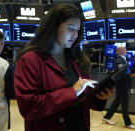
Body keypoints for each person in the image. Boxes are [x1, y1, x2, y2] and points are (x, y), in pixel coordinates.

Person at [14, 3, 113, 131]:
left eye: (77, 30)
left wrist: (99, 97)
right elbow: (29, 108)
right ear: (53, 27)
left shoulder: (77, 59)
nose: (75, 35)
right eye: (70, 28)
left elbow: (85, 99)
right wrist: (72, 92)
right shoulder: (30, 60)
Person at [102, 46, 135, 130]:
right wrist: (131, 75)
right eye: (124, 49)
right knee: (125, 104)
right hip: (122, 85)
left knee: (116, 102)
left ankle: (106, 117)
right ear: (120, 51)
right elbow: (120, 75)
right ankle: (128, 123)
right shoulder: (120, 60)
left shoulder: (124, 59)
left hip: (122, 85)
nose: (126, 50)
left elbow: (126, 71)